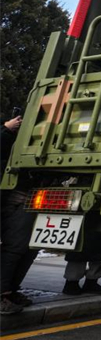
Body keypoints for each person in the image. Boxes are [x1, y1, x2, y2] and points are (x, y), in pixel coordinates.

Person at [1, 115, 40, 315]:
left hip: (24, 195)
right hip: (12, 197)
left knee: (28, 247)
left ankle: (10, 291)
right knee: (15, 247)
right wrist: (6, 130)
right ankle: (3, 294)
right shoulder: (7, 134)